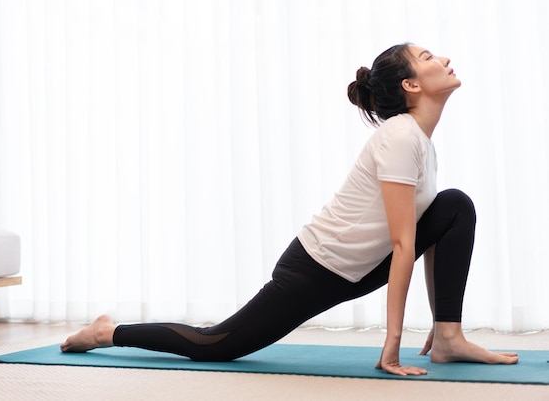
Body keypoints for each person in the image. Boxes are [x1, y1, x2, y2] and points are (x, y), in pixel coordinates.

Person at [61, 43, 518, 376]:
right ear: (412, 85)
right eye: (428, 57)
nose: (444, 59)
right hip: (316, 268)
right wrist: (391, 345)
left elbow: (427, 238)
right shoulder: (399, 138)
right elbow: (404, 245)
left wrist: (440, 328)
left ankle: (450, 338)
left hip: (361, 265)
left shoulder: (419, 141)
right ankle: (109, 331)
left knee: (455, 205)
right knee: (217, 343)